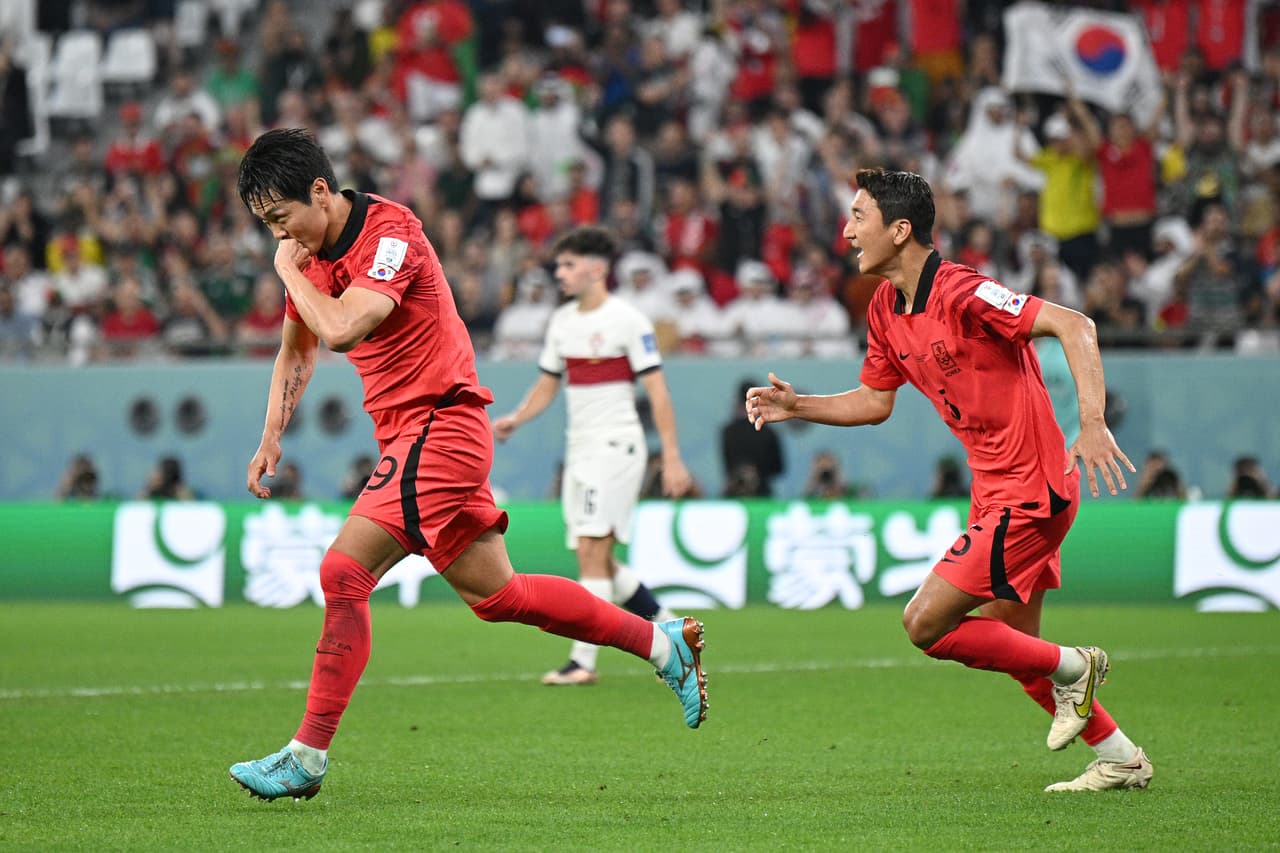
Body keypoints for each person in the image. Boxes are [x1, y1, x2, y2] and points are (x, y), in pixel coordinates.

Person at [227, 130, 707, 802]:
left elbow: (342, 329)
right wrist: (270, 433)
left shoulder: (390, 234)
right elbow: (299, 347)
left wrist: (283, 268)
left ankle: (305, 756)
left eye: (281, 219)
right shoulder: (306, 260)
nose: (280, 236)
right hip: (412, 435)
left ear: (320, 191)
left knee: (343, 571)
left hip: (439, 425)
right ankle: (663, 646)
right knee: (499, 597)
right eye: (268, 227)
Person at [746, 168, 1151, 793]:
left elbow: (1076, 325)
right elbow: (875, 401)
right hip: (993, 490)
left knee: (925, 624)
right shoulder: (885, 307)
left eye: (859, 217)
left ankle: (1078, 664)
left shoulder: (964, 293)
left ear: (900, 230)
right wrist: (798, 407)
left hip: (1034, 488)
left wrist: (1092, 422)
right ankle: (1120, 756)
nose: (847, 232)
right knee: (1015, 648)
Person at [493, 226, 695, 686]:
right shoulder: (563, 322)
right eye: (559, 265)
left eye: (568, 265)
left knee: (591, 551)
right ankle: (674, 627)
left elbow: (658, 393)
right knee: (600, 560)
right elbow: (548, 383)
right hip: (579, 448)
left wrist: (675, 457)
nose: (559, 273)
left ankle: (582, 662)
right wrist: (517, 418)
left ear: (597, 269)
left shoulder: (629, 321)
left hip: (616, 446)